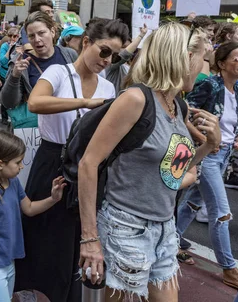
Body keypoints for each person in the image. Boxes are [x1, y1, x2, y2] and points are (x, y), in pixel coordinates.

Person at [77, 23, 218, 301]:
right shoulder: (135, 99)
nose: (205, 69)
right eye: (203, 59)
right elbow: (88, 164)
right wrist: (91, 239)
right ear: (183, 57)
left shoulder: (179, 105)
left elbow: (176, 173)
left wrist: (209, 146)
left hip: (165, 228)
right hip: (125, 227)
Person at [15, 18, 129, 302]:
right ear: (87, 43)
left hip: (87, 169)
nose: (107, 60)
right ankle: (26, 287)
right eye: (104, 51)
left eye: (114, 55)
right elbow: (36, 102)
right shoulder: (58, 72)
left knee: (73, 239)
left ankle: (64, 293)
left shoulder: (108, 88)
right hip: (51, 160)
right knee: (40, 232)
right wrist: (85, 103)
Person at [176, 41, 238, 290]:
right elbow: (182, 112)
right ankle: (228, 268)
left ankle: (170, 242)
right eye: (237, 59)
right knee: (222, 213)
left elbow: (231, 122)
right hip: (207, 155)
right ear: (221, 63)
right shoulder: (210, 84)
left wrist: (236, 138)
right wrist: (202, 138)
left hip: (224, 155)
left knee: (194, 202)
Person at [0, 129, 66, 302]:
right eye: (18, 162)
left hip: (9, 259)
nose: (22, 166)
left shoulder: (13, 183)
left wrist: (53, 199)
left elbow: (28, 208)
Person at [0, 11, 78, 129]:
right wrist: (15, 76)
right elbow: (8, 102)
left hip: (65, 126)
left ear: (52, 32)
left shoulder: (69, 55)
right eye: (31, 36)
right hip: (34, 129)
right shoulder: (20, 61)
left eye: (41, 33)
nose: (37, 39)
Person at [103, 23, 148, 94]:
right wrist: (141, 36)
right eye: (123, 47)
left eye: (129, 47)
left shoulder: (129, 66)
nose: (126, 50)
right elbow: (125, 54)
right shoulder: (111, 64)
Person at [0, 28, 19, 124]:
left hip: (15, 74)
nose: (12, 38)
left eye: (15, 36)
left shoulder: (20, 47)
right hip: (4, 73)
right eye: (10, 36)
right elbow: (3, 61)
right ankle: (4, 117)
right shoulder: (4, 46)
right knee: (5, 95)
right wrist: (10, 48)